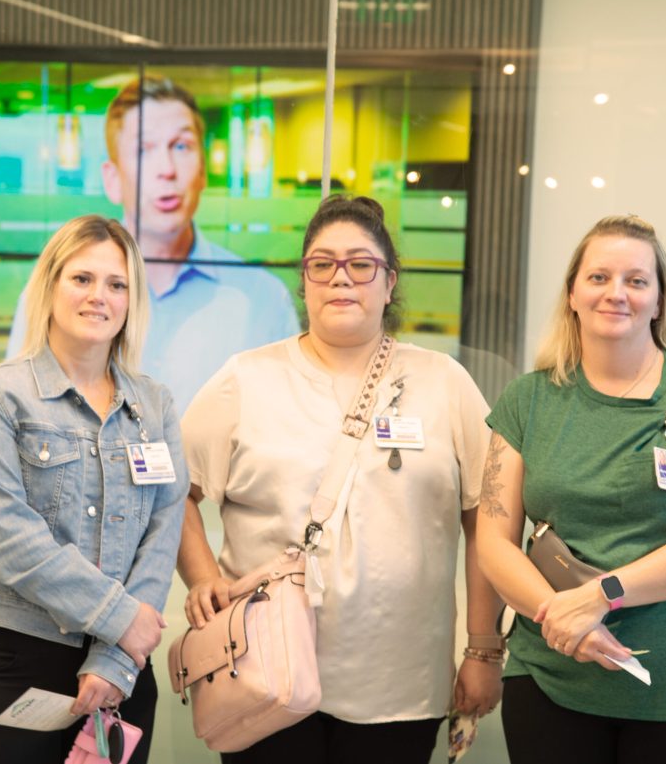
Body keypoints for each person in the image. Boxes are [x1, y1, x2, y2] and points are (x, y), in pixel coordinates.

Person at [178, 195, 503, 764]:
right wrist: (203, 579)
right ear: (304, 283)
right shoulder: (246, 378)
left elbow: (487, 521)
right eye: (322, 264)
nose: (340, 278)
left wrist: (483, 650)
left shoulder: (444, 382)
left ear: (389, 282)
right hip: (262, 670)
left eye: (361, 264)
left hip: (400, 679)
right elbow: (174, 492)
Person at [476, 215, 666, 764]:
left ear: (658, 302)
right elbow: (493, 542)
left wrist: (599, 596)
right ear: (572, 295)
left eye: (636, 280)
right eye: (599, 277)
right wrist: (562, 621)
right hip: (552, 675)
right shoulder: (527, 400)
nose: (617, 293)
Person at [0, 215, 189, 764]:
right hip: (11, 666)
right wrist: (120, 619)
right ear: (50, 285)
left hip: (121, 670)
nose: (99, 296)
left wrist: (116, 657)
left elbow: (163, 532)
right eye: (82, 278)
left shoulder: (155, 406)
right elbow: (2, 537)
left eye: (116, 284)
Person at [7, 77, 299, 411]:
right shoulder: (55, 295)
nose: (167, 170)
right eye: (144, 150)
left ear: (202, 171)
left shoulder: (263, 299)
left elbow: (284, 423)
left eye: (181, 147)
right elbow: (17, 407)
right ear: (112, 179)